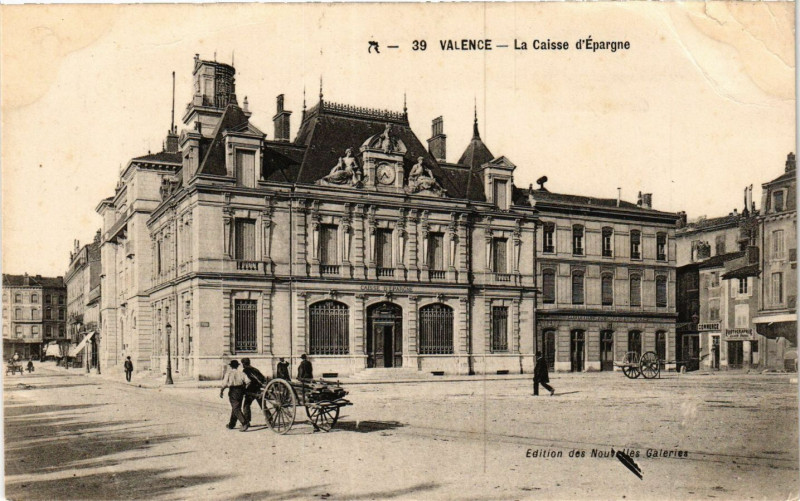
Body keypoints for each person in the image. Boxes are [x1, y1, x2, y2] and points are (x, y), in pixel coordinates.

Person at [220, 360, 251, 431]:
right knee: (236, 407)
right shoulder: (241, 373)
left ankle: (244, 423)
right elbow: (248, 382)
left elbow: (224, 384)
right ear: (237, 366)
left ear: (231, 366)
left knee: (236, 408)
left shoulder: (229, 373)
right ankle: (231, 424)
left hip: (233, 391)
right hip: (240, 391)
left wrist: (221, 391)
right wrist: (244, 388)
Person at [240, 358, 267, 426]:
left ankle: (247, 421)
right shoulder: (255, 369)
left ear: (243, 364)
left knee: (246, 405)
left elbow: (246, 381)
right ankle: (270, 419)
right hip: (258, 389)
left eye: (242, 363)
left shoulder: (245, 370)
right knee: (263, 405)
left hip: (251, 390)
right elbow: (263, 378)